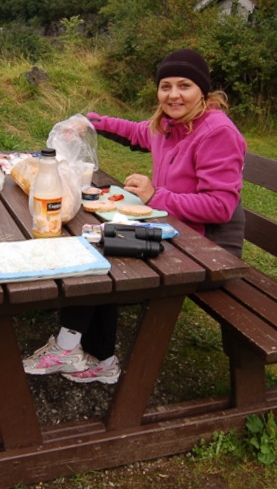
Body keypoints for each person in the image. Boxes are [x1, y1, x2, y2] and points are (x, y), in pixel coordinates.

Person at [22, 48, 247, 385]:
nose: (173, 95)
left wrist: (155, 196)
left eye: (184, 86)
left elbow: (220, 206)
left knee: (98, 255)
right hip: (172, 231)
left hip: (208, 252)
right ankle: (100, 359)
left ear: (203, 90)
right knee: (94, 242)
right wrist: (88, 123)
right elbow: (137, 131)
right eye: (165, 86)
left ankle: (71, 349)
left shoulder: (216, 132)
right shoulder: (170, 124)